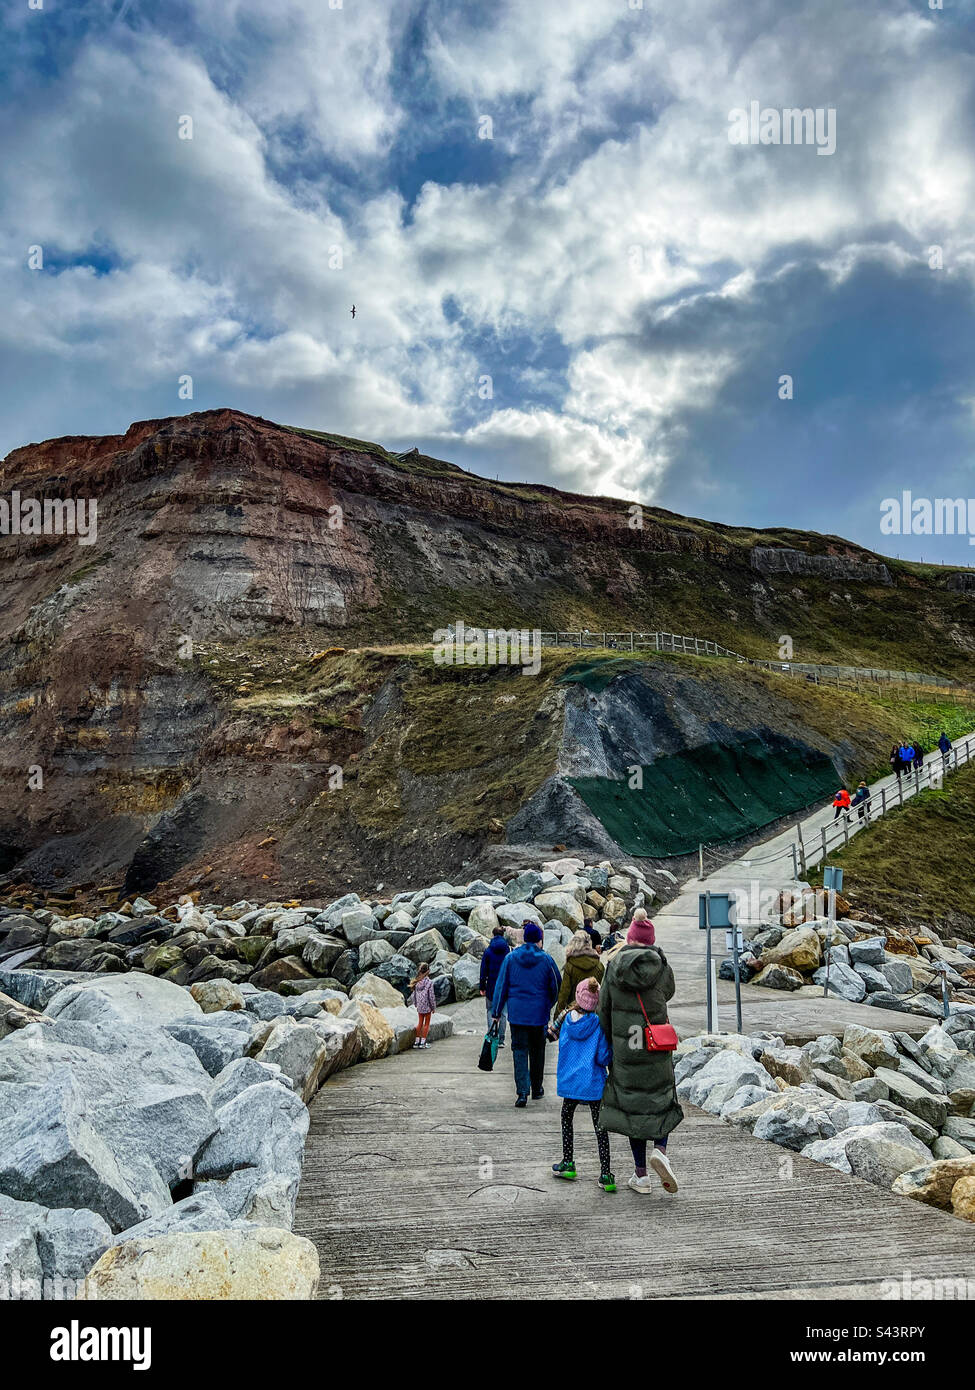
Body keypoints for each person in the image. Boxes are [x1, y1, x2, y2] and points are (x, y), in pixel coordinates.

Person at [598, 914, 683, 1195]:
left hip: (626, 1050)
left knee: (634, 1108)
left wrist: (611, 1042)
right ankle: (660, 1150)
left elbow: (603, 1010)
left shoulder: (613, 968)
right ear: (651, 941)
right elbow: (668, 993)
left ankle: (641, 1176)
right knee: (661, 1098)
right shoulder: (663, 967)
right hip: (656, 1045)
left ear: (629, 938)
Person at [547, 978, 615, 1193]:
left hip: (570, 1082)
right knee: (600, 1127)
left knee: (567, 1117)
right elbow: (603, 1057)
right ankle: (606, 1174)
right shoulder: (598, 1023)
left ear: (577, 996)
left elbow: (550, 1036)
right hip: (593, 1082)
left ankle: (568, 1161)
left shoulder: (566, 1018)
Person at [492, 921, 561, 1107]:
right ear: (539, 939)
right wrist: (548, 1003)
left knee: (519, 1051)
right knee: (538, 1051)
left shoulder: (511, 958)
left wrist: (497, 1011)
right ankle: (537, 1088)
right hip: (538, 1015)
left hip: (517, 1014)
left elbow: (501, 986)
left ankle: (522, 1092)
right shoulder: (547, 959)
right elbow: (556, 985)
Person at [555, 929, 604, 1015]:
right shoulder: (599, 966)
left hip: (573, 1010)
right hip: (593, 1012)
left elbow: (564, 993)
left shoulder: (570, 966)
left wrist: (558, 1016)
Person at [479, 925, 511, 1045]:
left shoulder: (488, 951)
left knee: (490, 1010)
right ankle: (501, 1039)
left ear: (493, 935)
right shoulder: (507, 950)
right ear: (503, 935)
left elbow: (483, 970)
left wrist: (482, 986)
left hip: (491, 984)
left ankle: (492, 1035)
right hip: (504, 984)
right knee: (503, 1012)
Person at [409, 962, 436, 1049]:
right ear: (428, 971)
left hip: (420, 1006)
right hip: (427, 1006)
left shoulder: (417, 982)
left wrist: (416, 1004)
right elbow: (431, 996)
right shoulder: (429, 982)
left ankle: (416, 1042)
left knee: (420, 1023)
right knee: (426, 1024)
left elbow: (414, 995)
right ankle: (423, 1043)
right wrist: (433, 1007)